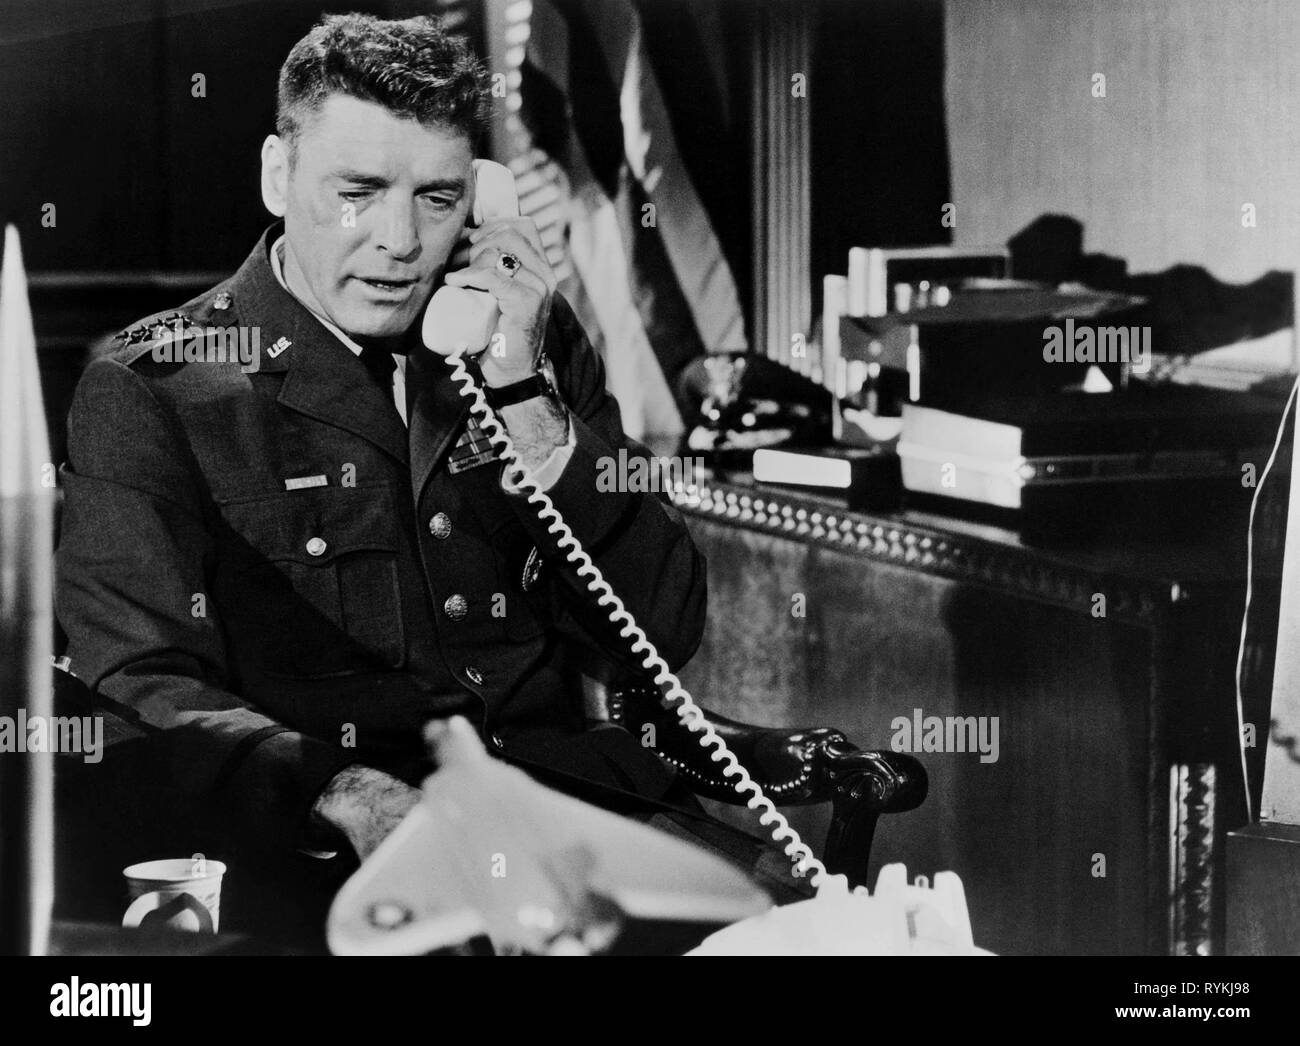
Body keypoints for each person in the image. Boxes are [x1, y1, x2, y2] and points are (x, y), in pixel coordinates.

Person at [55, 12, 807, 948]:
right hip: (336, 858)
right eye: (359, 193)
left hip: (574, 822)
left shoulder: (522, 342)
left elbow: (664, 626)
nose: (402, 241)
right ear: (278, 177)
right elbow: (141, 683)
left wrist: (527, 397)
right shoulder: (158, 388)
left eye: (441, 197)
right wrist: (343, 790)